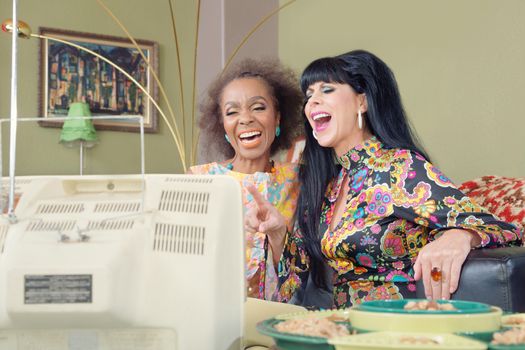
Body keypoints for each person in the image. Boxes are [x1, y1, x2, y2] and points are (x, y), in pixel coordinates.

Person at [245, 50, 523, 308]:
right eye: (309, 95)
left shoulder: (400, 168)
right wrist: (278, 230)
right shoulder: (329, 184)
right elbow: (297, 280)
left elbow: (505, 231)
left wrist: (461, 235)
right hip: (339, 325)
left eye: (327, 89)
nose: (312, 101)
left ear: (362, 101)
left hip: (397, 326)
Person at [188, 58, 304, 300]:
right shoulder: (200, 180)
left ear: (278, 117)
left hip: (279, 318)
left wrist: (278, 235)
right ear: (223, 125)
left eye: (258, 107)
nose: (245, 118)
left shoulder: (298, 180)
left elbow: (305, 271)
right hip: (215, 312)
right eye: (232, 112)